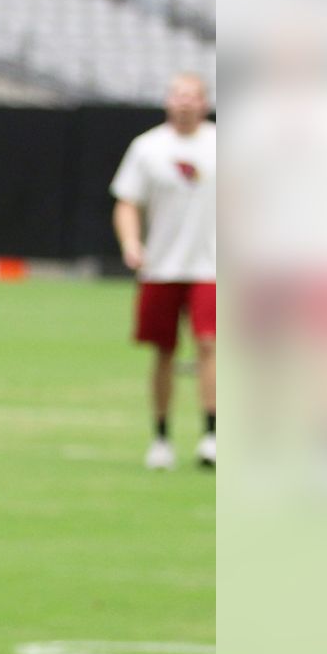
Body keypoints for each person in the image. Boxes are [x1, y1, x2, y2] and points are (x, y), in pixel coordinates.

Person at [111, 72, 216, 469]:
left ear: (204, 102)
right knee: (163, 350)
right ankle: (161, 436)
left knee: (209, 343)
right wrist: (131, 243)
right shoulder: (148, 148)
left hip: (212, 265)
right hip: (163, 266)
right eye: (178, 95)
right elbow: (126, 201)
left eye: (192, 96)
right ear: (168, 101)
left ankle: (212, 434)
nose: (185, 102)